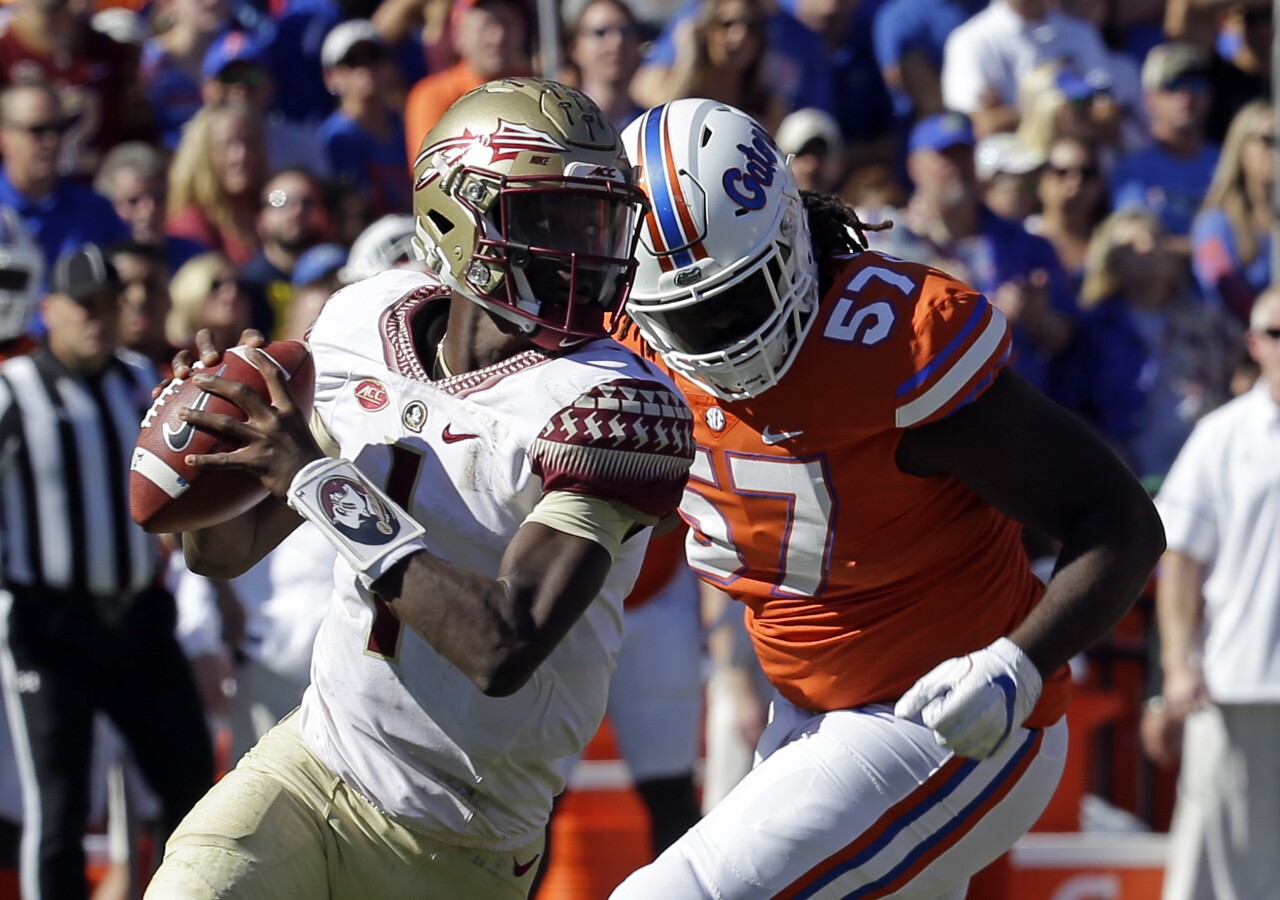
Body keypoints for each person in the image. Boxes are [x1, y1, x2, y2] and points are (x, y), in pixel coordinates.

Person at [144, 77, 695, 898]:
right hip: (313, 761)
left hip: (463, 836)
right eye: (546, 218)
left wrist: (314, 477)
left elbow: (502, 644)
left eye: (597, 219)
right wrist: (223, 451)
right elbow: (226, 553)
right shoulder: (362, 319)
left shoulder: (616, 406)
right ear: (453, 217)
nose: (583, 247)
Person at [610, 98, 1165, 898]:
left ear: (792, 231)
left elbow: (1120, 519)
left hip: (949, 716)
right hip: (804, 716)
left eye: (742, 295)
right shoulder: (627, 333)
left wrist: (1018, 663)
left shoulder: (894, 343)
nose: (726, 337)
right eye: (689, 317)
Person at [0, 244, 213, 900]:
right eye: (81, 307)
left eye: (106, 306)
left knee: (192, 786)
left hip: (137, 618)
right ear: (48, 310)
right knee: (59, 806)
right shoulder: (13, 390)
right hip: (51, 623)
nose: (96, 319)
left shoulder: (140, 384)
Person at [1149, 286, 1280, 900]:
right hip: (1237, 683)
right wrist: (1176, 669)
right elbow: (1180, 562)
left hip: (1244, 685)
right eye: (1278, 334)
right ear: (1255, 345)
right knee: (1220, 877)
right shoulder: (1222, 436)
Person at [403, 0, 532, 161]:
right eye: (487, 25)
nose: (499, 36)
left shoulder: (536, 93)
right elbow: (428, 171)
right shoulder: (433, 95)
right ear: (458, 33)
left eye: (507, 24)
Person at [317, 20, 412, 220]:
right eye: (351, 61)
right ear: (330, 78)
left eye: (373, 57)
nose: (365, 68)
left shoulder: (404, 125)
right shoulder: (335, 137)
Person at [1191, 99, 1274, 324]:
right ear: (1241, 148)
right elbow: (1223, 293)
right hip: (1243, 344)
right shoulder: (1215, 223)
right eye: (1269, 140)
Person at [165, 100, 268, 268]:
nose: (241, 156)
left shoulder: (267, 210)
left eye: (250, 143)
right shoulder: (190, 221)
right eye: (227, 145)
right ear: (202, 155)